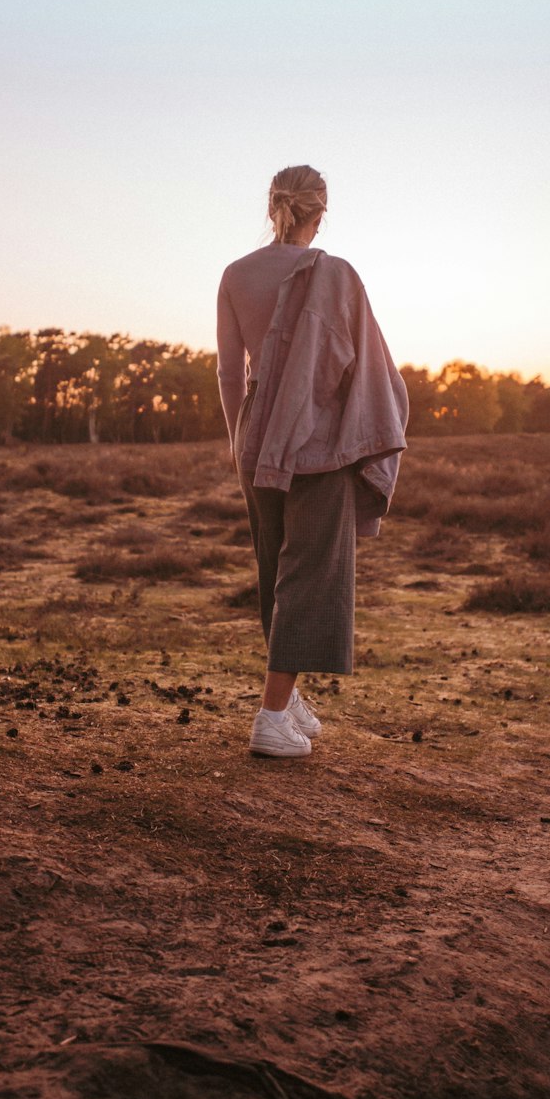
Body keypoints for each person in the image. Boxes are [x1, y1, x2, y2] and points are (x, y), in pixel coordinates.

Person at [217, 164, 409, 758]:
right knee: (309, 575)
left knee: (276, 572)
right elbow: (370, 367)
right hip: (319, 445)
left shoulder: (236, 274)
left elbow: (229, 370)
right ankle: (272, 716)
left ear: (272, 206)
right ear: (319, 213)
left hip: (257, 440)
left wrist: (237, 441)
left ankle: (287, 694)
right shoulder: (338, 275)